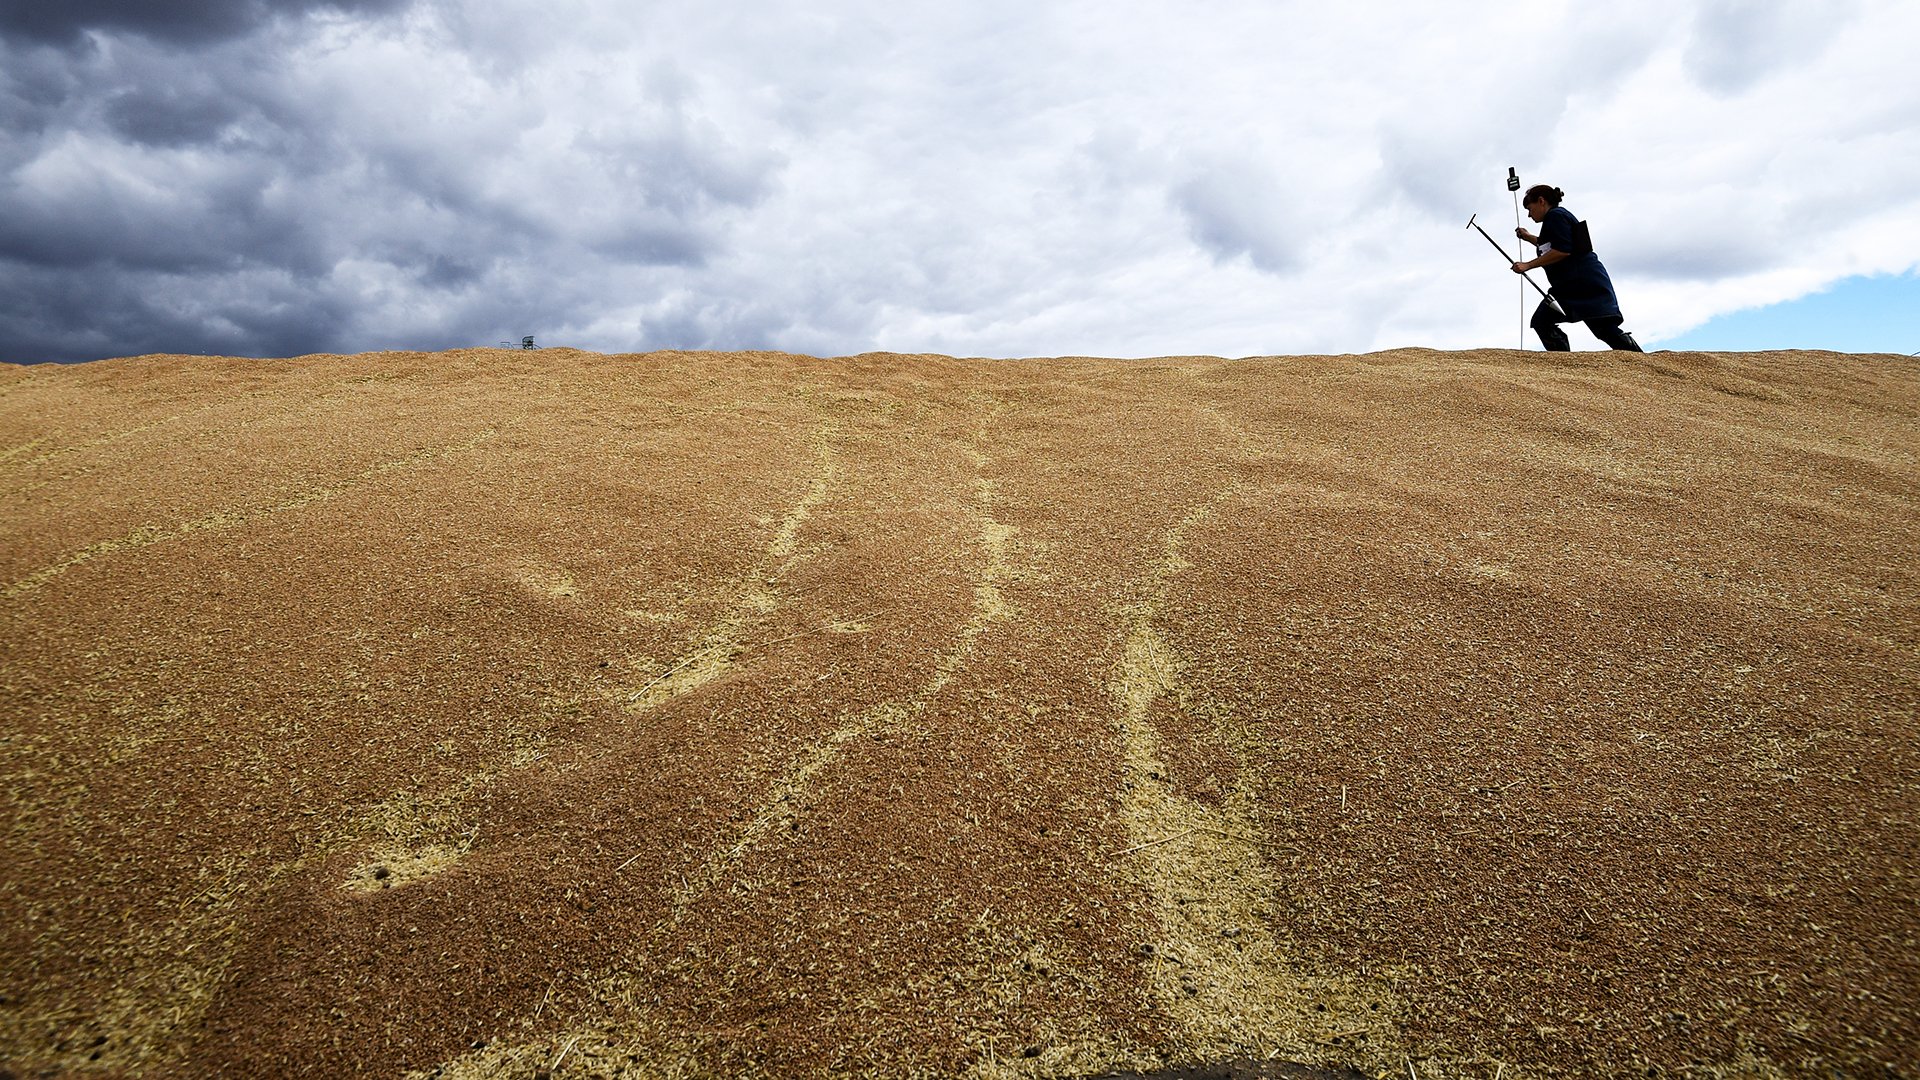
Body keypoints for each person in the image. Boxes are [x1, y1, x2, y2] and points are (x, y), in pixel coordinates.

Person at [1512, 185, 1642, 352]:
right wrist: (1529, 237)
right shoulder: (1558, 216)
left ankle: (1564, 363)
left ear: (1541, 201)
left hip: (1581, 285)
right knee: (1603, 328)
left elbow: (1563, 250)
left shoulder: (1555, 216)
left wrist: (1528, 265)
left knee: (1544, 321)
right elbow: (1553, 244)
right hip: (1578, 284)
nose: (1529, 215)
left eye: (1530, 209)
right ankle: (1640, 360)